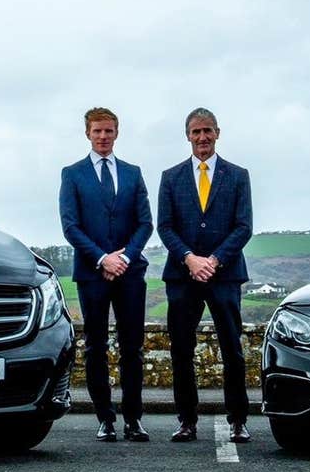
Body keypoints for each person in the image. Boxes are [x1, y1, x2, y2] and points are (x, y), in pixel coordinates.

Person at [157, 107, 253, 443]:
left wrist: (213, 260)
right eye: (196, 132)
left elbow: (243, 226)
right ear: (188, 136)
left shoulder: (237, 175)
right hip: (182, 276)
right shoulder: (171, 177)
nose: (202, 137)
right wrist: (189, 259)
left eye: (207, 130)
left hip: (224, 275)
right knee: (181, 350)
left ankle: (238, 420)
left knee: (232, 350)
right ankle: (186, 421)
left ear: (217, 133)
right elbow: (165, 226)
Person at [59, 107, 154, 442]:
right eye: (97, 131)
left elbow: (146, 223)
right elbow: (71, 226)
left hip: (129, 272)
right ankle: (105, 419)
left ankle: (133, 419)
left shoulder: (132, 173)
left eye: (109, 131)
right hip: (92, 273)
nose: (103, 136)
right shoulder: (72, 174)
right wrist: (102, 259)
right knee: (95, 347)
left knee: (132, 348)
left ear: (117, 133)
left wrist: (124, 258)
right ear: (88, 133)